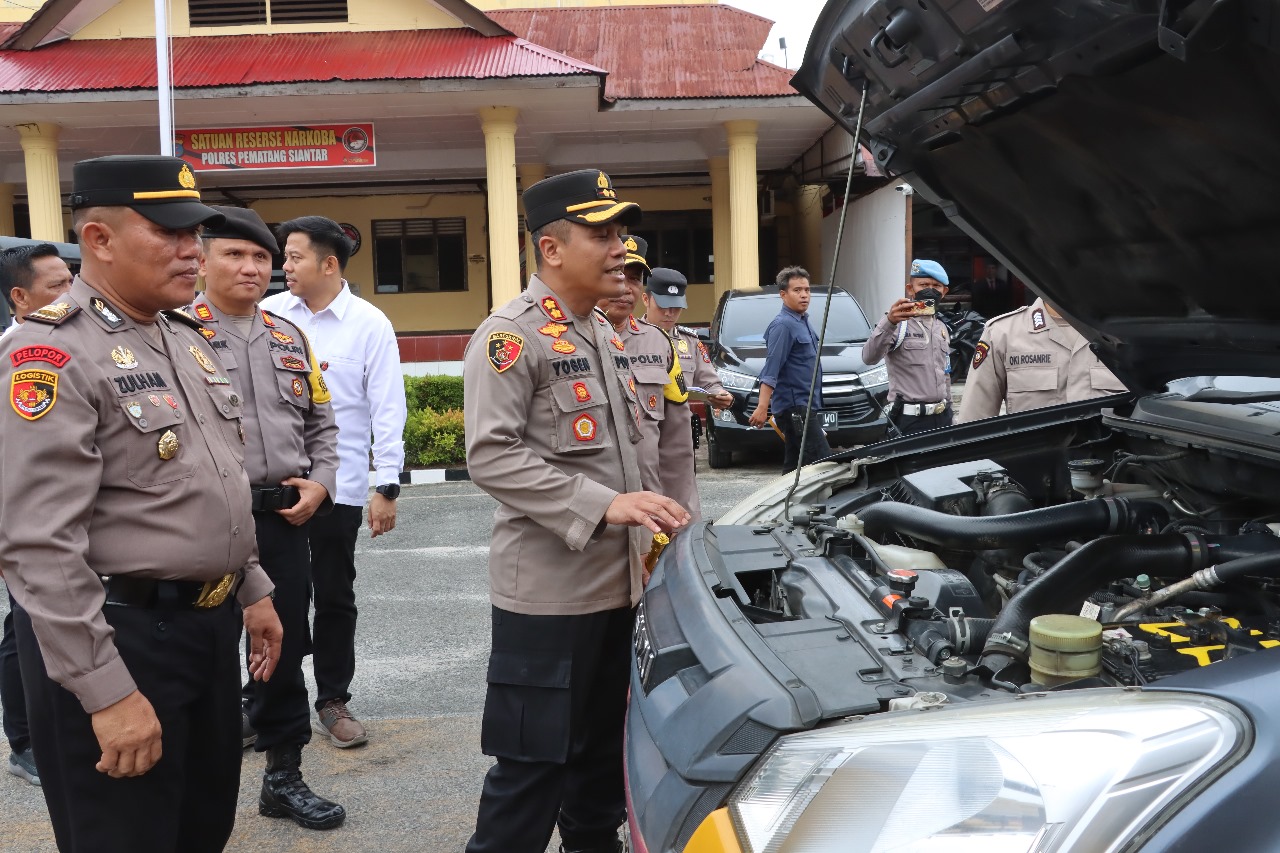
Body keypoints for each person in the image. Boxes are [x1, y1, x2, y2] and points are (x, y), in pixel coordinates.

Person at [0, 155, 283, 853]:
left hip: (204, 632)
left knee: (199, 829)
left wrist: (252, 588)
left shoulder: (182, 337)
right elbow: (37, 544)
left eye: (196, 235)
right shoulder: (51, 352)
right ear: (98, 239)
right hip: (117, 637)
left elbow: (212, 481)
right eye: (171, 233)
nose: (193, 251)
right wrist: (106, 692)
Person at [463, 169, 690, 853]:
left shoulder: (607, 332)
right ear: (552, 249)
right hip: (550, 601)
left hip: (619, 591)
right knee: (532, 775)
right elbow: (491, 456)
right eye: (602, 233)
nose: (620, 246)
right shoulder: (511, 337)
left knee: (600, 774)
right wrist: (606, 503)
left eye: (620, 231)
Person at [194, 207, 345, 830]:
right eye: (234, 255)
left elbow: (323, 426)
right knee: (200, 655)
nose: (252, 267)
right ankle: (200, 785)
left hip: (282, 524)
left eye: (262, 257)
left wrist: (322, 484)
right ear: (200, 261)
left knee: (281, 651)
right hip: (202, 529)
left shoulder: (289, 337)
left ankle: (284, 776)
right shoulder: (175, 333)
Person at [260, 216, 407, 748]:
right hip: (274, 486)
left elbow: (387, 407)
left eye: (294, 257)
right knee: (273, 596)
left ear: (328, 263)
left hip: (339, 490)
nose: (284, 267)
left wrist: (385, 484)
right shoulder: (269, 315)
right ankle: (269, 700)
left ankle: (332, 698)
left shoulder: (369, 324)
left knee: (335, 597)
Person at [0, 243, 72, 787]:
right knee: (23, 628)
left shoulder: (68, 345)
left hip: (66, 524)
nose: (71, 294)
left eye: (72, 281)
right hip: (24, 526)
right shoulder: (18, 357)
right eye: (57, 287)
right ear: (19, 298)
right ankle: (24, 742)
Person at [639, 266, 733, 520]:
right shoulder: (628, 339)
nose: (670, 313)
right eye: (663, 306)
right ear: (646, 299)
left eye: (676, 307)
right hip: (640, 435)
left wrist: (719, 394)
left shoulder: (689, 341)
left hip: (678, 439)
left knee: (682, 509)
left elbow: (709, 379)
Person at [958, 296, 1128, 422]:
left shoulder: (1127, 336)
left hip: (1115, 466)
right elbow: (974, 419)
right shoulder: (1003, 333)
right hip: (1033, 466)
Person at [598, 235, 677, 494]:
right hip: (593, 507)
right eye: (617, 273)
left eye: (635, 279)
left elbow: (676, 444)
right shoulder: (564, 340)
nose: (626, 287)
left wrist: (682, 512)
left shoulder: (659, 342)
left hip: (648, 502)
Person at [748, 266, 833, 472]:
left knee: (795, 468)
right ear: (783, 295)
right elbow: (771, 368)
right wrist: (762, 407)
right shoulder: (783, 325)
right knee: (826, 465)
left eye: (807, 290)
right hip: (795, 409)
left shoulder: (803, 321)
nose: (804, 295)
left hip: (806, 405)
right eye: (797, 290)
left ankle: (788, 504)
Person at [861, 258, 955, 434]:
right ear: (910, 289)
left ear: (944, 292)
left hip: (942, 418)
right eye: (923, 284)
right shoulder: (898, 323)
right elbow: (869, 357)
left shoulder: (941, 328)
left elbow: (945, 374)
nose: (930, 290)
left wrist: (950, 414)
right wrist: (889, 322)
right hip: (910, 421)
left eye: (936, 286)